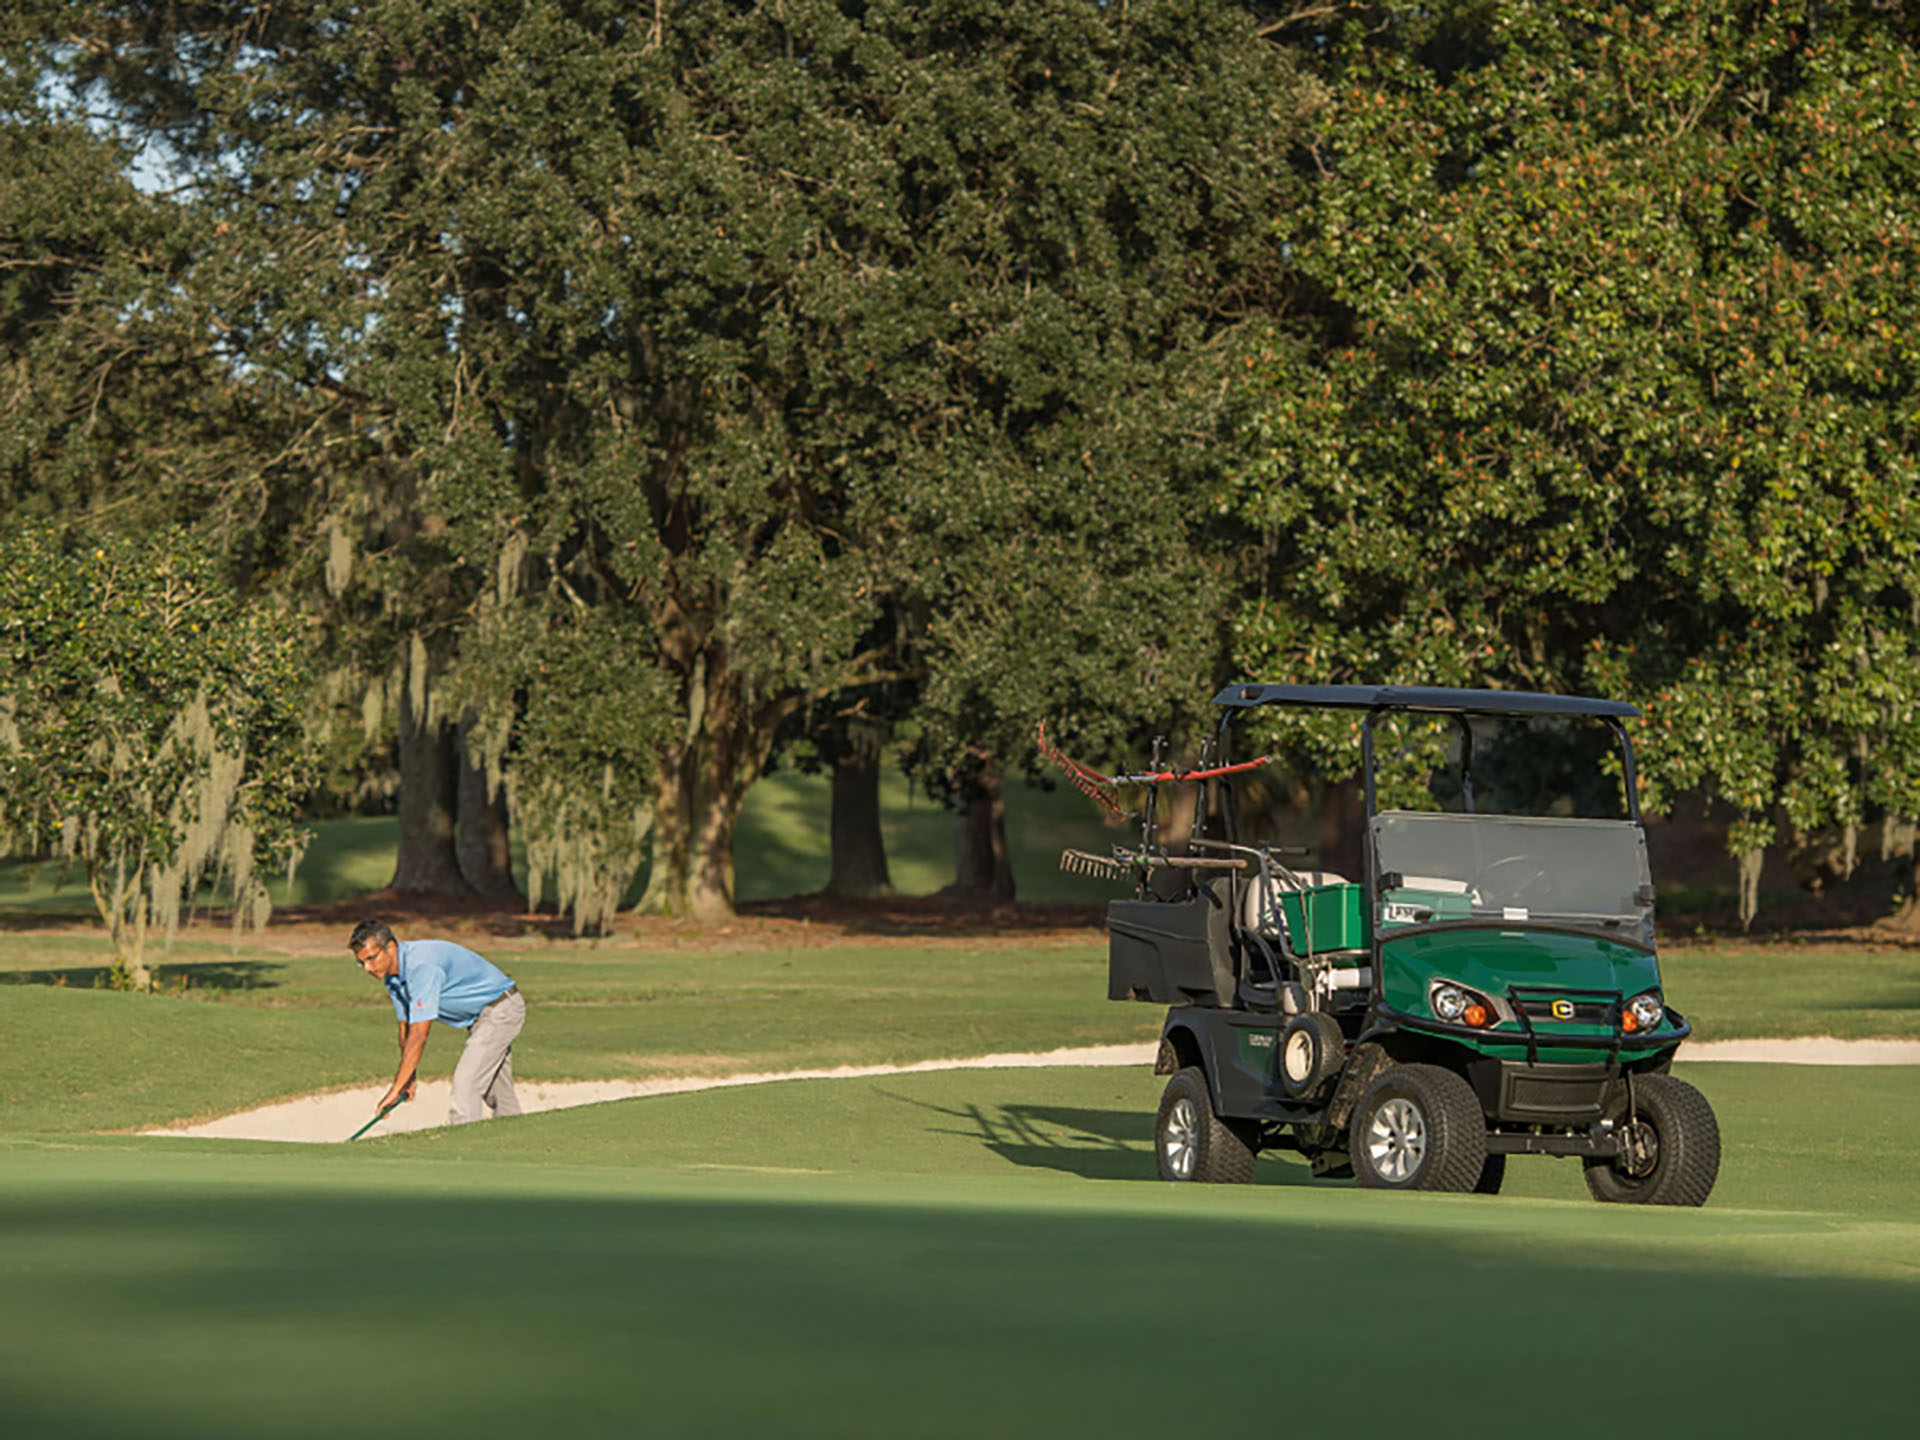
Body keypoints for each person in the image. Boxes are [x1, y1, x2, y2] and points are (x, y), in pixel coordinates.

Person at [348, 919, 525, 1126]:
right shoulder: (392, 978)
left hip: (501, 1008)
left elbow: (419, 1035)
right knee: (499, 1092)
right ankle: (517, 1136)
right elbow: (406, 1026)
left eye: (371, 958)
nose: (368, 968)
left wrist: (395, 1088)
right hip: (483, 1016)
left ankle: (464, 1144)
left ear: (391, 947)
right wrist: (408, 1077)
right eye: (362, 962)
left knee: (466, 1084)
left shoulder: (421, 967)